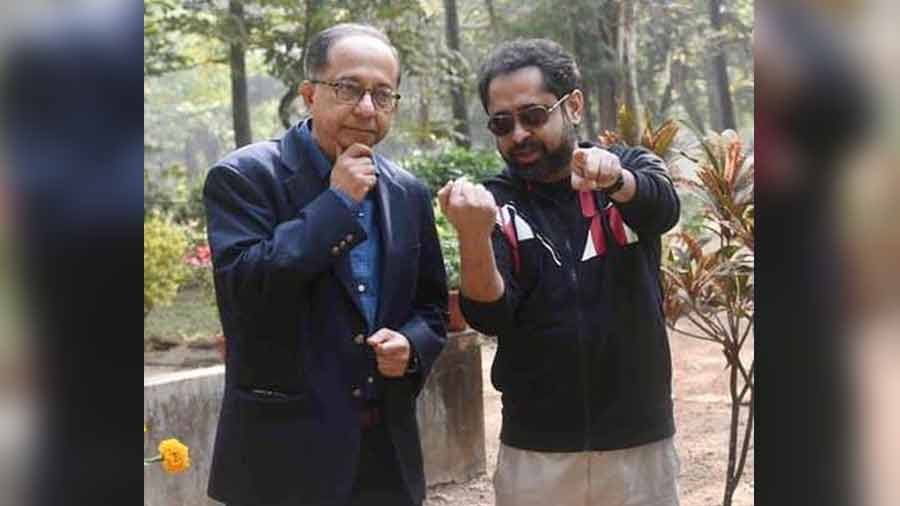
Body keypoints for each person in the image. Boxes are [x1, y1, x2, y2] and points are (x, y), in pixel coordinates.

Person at [203, 23, 448, 506]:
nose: (366, 108)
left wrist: (413, 345)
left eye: (383, 95)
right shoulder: (245, 177)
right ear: (309, 95)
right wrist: (336, 204)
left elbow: (432, 307)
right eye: (349, 88)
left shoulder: (408, 192)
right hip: (282, 459)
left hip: (384, 455)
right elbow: (245, 293)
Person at [438, 39, 682, 506]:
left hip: (639, 440)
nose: (518, 135)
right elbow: (489, 315)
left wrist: (614, 180)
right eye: (501, 123)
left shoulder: (629, 169)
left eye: (532, 116)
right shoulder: (496, 202)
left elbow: (661, 210)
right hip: (536, 450)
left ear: (573, 105)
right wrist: (472, 234)